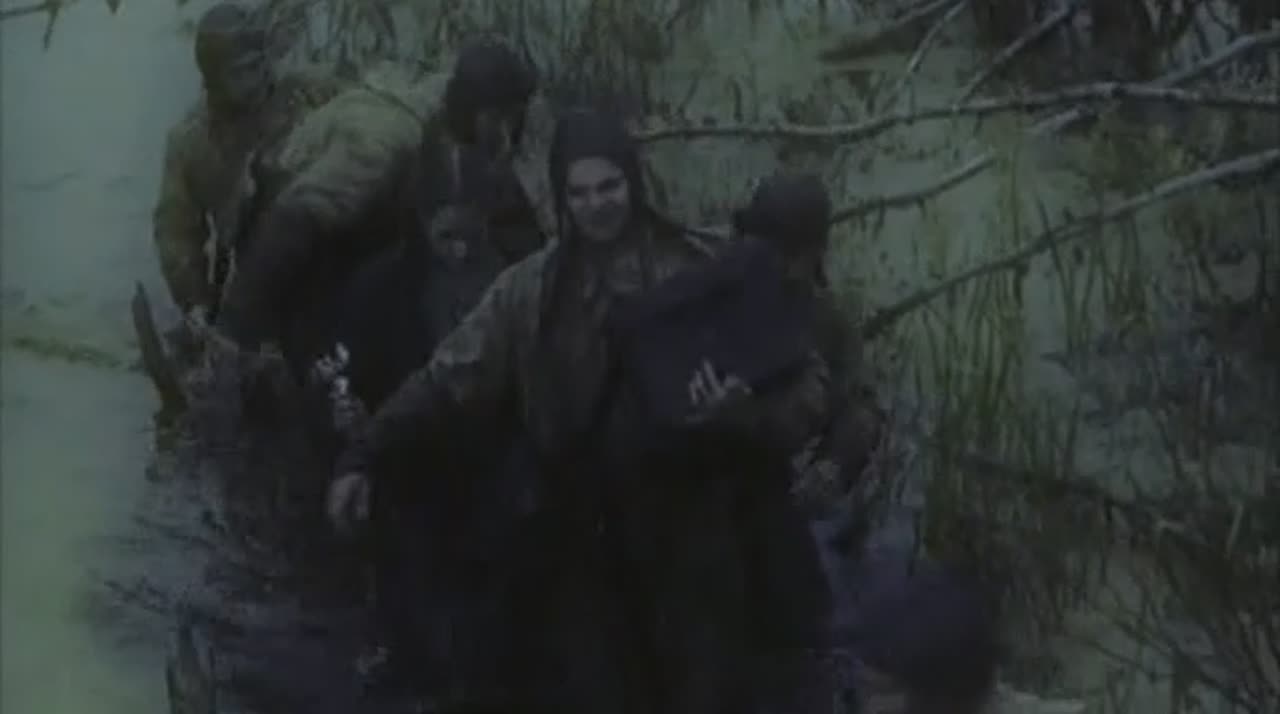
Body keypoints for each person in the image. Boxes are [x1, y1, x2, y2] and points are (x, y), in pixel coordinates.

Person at [325, 107, 832, 712]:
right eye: (580, 192)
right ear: (563, 197)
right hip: (582, 536)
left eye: (609, 186)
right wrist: (363, 454)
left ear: (633, 182)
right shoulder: (530, 291)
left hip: (691, 532)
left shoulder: (704, 269)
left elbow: (807, 388)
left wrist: (743, 413)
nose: (597, 205)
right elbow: (446, 381)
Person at [216, 38, 542, 356]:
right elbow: (293, 221)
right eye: (506, 119)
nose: (510, 133)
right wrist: (231, 337)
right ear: (486, 116)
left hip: (339, 233)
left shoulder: (449, 105)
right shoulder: (384, 145)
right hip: (283, 246)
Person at [152, 1, 347, 325]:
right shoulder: (191, 142)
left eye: (257, 65)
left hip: (330, 253)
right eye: (239, 73)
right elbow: (176, 233)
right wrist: (194, 301)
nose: (254, 80)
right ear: (213, 78)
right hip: (255, 274)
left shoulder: (310, 93)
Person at [731, 172, 887, 513]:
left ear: (814, 256)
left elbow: (862, 408)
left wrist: (834, 465)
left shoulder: (828, 320)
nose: (779, 268)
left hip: (772, 475)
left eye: (791, 256)